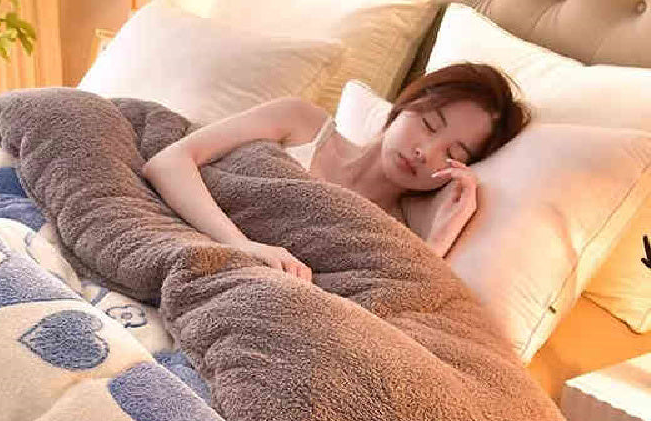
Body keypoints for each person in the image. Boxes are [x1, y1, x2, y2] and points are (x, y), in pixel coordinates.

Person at [141, 62, 529, 282]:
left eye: (453, 154)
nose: (425, 153)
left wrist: (443, 235)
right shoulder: (301, 124)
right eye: (429, 124)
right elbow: (169, 162)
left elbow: (396, 307)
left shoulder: (395, 233)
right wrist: (243, 244)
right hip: (168, 243)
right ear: (406, 104)